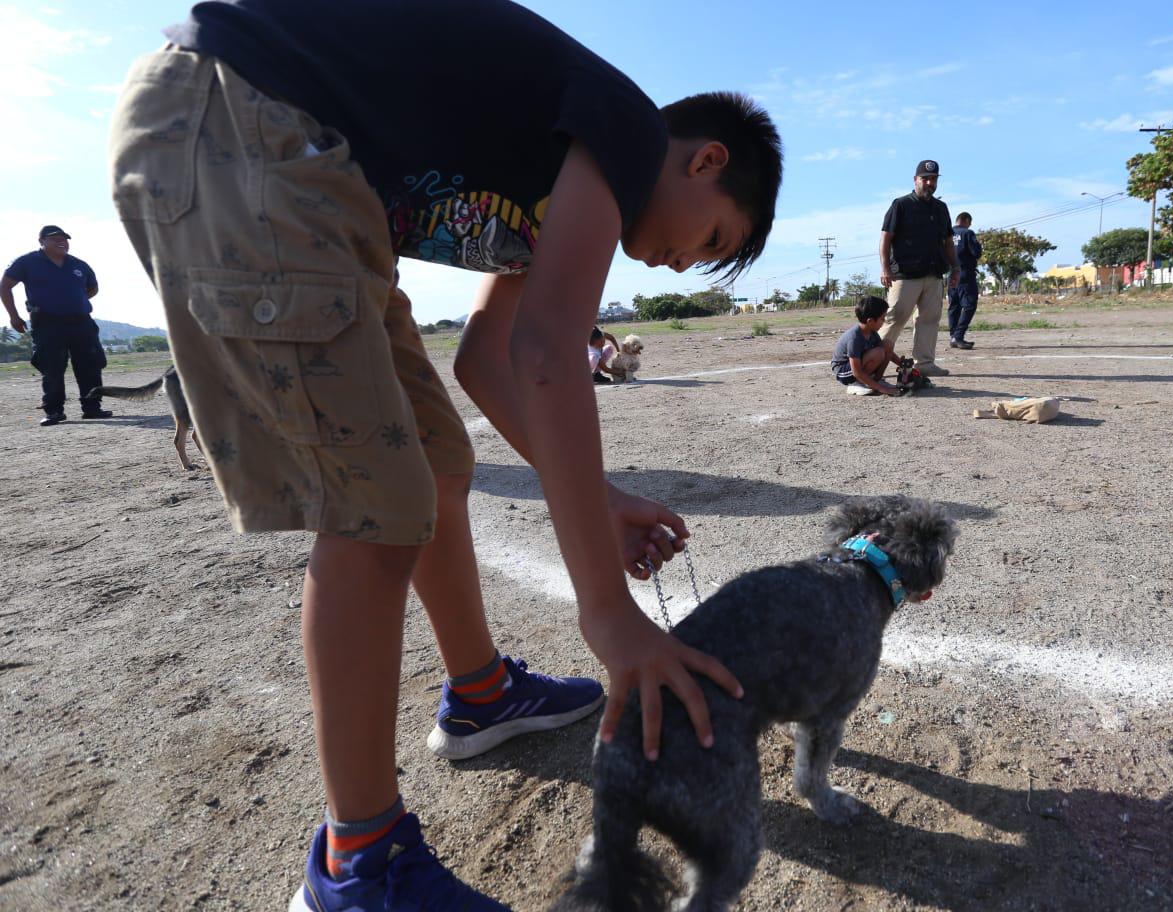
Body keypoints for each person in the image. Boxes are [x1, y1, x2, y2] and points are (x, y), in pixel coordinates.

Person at [109, 1, 782, 909]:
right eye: (713, 241)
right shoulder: (622, 124)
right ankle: (360, 865)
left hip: (305, 169)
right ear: (707, 160)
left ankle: (480, 694)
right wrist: (610, 615)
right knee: (373, 508)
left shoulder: (566, 177)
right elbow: (548, 354)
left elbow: (488, 360)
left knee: (434, 464)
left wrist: (602, 496)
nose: (678, 268)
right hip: (247, 125)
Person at [2, 226, 114, 425]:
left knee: (90, 366)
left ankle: (92, 408)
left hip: (81, 322)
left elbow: (93, 287)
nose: (62, 241)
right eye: (55, 239)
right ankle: (54, 411)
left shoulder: (78, 264)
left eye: (64, 238)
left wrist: (74, 300)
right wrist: (14, 316)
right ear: (42, 241)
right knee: (52, 367)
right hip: (47, 323)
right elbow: (5, 286)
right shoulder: (27, 262)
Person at [879, 160, 960, 376]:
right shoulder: (901, 205)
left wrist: (956, 268)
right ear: (915, 180)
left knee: (929, 320)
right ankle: (875, 361)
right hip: (905, 275)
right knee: (895, 318)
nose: (929, 183)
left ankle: (924, 364)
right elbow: (885, 238)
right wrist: (885, 269)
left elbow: (948, 242)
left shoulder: (941, 208)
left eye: (933, 179)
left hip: (934, 275)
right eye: (925, 178)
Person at [831, 294, 903, 397]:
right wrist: (882, 389)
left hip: (858, 366)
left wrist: (903, 364)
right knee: (878, 353)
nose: (884, 322)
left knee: (887, 344)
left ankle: (875, 381)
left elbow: (888, 351)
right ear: (870, 321)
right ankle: (856, 384)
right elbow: (856, 371)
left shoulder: (872, 332)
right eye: (882, 319)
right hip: (844, 372)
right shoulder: (854, 337)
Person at [948, 212, 982, 350]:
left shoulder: (948, 233)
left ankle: (953, 337)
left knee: (954, 306)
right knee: (969, 305)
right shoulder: (968, 233)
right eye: (970, 222)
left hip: (951, 275)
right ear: (966, 220)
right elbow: (976, 252)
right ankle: (958, 336)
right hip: (965, 274)